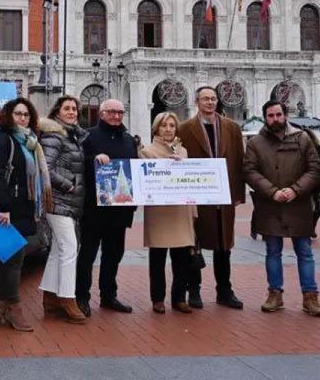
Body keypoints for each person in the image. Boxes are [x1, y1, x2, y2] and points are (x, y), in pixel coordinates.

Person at [244, 101, 320, 316]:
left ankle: (310, 296)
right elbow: (250, 171)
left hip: (298, 204)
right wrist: (272, 191)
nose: (275, 119)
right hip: (269, 205)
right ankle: (274, 293)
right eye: (270, 115)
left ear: (285, 115)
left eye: (278, 114)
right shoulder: (255, 143)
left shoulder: (302, 138)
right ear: (265, 117)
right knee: (272, 252)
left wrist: (295, 190)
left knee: (305, 252)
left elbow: (315, 170)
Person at [0, 97, 53, 332]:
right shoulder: (1, 139)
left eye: (26, 114)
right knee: (12, 261)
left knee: (12, 260)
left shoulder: (30, 142)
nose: (22, 118)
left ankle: (1, 310)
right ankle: (14, 309)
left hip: (23, 207)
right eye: (18, 114)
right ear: (8, 115)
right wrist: (3, 208)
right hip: (6, 210)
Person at [177, 86, 246, 310]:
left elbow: (239, 161)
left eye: (213, 98)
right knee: (194, 244)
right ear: (196, 102)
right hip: (197, 195)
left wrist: (238, 193)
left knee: (224, 245)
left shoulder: (231, 127)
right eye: (205, 99)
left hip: (223, 195)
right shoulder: (185, 128)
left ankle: (224, 290)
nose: (210, 102)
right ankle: (194, 289)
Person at [77, 98, 137, 316]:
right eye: (111, 112)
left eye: (120, 112)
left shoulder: (129, 140)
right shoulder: (88, 136)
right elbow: (78, 163)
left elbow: (135, 170)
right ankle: (81, 297)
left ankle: (108, 295)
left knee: (114, 254)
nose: (116, 116)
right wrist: (93, 158)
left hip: (120, 208)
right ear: (102, 113)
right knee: (87, 255)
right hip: (94, 208)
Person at [38, 96, 89, 324]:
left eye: (74, 109)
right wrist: (68, 185)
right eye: (66, 108)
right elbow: (45, 168)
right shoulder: (54, 135)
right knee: (69, 248)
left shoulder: (72, 135)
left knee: (59, 249)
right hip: (58, 200)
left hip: (67, 201)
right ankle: (68, 298)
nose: (71, 112)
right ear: (57, 111)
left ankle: (49, 297)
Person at [140, 112, 196, 314]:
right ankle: (158, 298)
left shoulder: (183, 151)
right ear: (156, 128)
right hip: (159, 212)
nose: (168, 129)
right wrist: (165, 167)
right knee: (158, 258)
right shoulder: (147, 152)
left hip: (181, 210)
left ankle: (179, 298)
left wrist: (182, 167)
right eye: (164, 125)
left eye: (172, 125)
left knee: (182, 258)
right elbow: (146, 180)